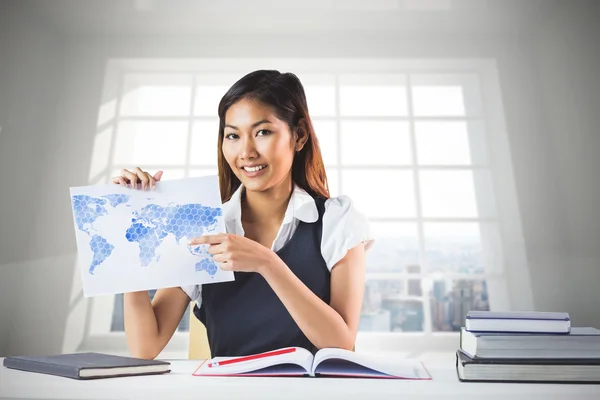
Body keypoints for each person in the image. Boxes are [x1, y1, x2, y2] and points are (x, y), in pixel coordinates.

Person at [113, 70, 373, 359]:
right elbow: (145, 346)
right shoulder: (203, 226)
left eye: (262, 132)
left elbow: (340, 345)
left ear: (298, 136)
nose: (246, 152)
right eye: (233, 135)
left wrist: (267, 264)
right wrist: (131, 224)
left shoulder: (336, 220)